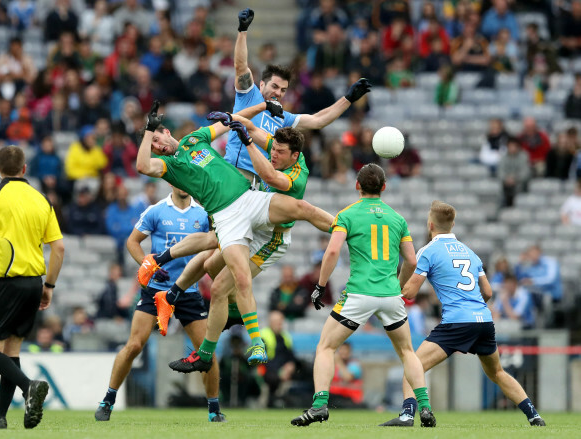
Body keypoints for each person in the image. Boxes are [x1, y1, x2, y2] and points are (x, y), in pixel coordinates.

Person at [136, 102, 332, 371]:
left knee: (300, 209)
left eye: (157, 139)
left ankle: (347, 229)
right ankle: (228, 342)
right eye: (153, 145)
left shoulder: (196, 138)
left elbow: (236, 132)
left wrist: (242, 117)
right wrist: (149, 131)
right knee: (219, 276)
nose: (158, 146)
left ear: (168, 132)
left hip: (253, 208)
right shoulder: (169, 165)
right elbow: (143, 165)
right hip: (227, 216)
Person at [291, 164, 435, 427]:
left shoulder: (346, 215)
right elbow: (412, 261)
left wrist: (320, 286)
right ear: (384, 187)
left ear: (357, 185)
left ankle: (320, 405)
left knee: (326, 346)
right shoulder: (397, 218)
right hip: (390, 295)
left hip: (358, 293)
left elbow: (332, 252)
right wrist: (399, 286)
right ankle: (425, 408)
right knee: (406, 351)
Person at [379, 200, 545, 427]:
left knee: (413, 365)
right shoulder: (471, 253)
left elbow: (411, 293)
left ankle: (407, 414)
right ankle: (533, 415)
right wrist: (474, 306)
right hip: (484, 320)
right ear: (453, 224)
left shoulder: (428, 251)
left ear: (430, 225)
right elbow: (487, 291)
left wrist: (392, 289)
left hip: (456, 322)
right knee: (497, 372)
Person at [94, 185, 227, 422]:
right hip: (155, 290)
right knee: (134, 345)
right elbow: (133, 242)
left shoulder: (203, 214)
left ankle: (214, 410)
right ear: (172, 181)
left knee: (207, 353)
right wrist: (148, 264)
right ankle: (108, 401)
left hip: (188, 291)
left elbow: (214, 245)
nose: (183, 184)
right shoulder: (156, 211)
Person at [0, 145, 65, 429]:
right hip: (34, 283)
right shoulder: (42, 199)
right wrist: (50, 286)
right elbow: (58, 248)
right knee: (11, 352)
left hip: (5, 282)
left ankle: (29, 385)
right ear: (24, 169)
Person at [229, 7, 371, 184]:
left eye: (282, 90)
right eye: (274, 86)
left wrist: (347, 99)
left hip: (261, 184)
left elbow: (318, 120)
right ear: (262, 84)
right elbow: (240, 66)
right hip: (235, 174)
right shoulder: (249, 95)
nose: (278, 93)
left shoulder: (282, 117)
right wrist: (242, 31)